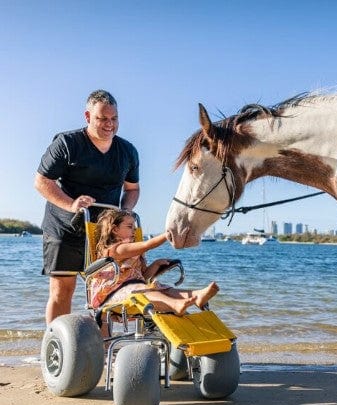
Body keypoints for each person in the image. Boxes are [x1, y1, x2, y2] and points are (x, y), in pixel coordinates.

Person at [34, 90, 140, 325]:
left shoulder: (128, 151)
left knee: (105, 290)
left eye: (114, 119)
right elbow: (42, 182)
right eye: (103, 118)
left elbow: (132, 189)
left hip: (103, 232)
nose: (109, 124)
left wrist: (126, 210)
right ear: (88, 116)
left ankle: (100, 351)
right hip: (64, 227)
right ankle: (57, 347)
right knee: (63, 290)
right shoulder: (67, 143)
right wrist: (71, 204)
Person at [89, 209, 219, 320]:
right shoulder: (116, 249)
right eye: (129, 227)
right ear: (115, 229)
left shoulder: (134, 253)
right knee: (144, 291)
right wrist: (168, 234)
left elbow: (144, 277)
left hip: (133, 288)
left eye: (134, 227)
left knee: (162, 288)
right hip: (111, 294)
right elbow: (147, 245)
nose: (134, 230)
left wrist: (155, 265)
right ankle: (175, 304)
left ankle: (196, 296)